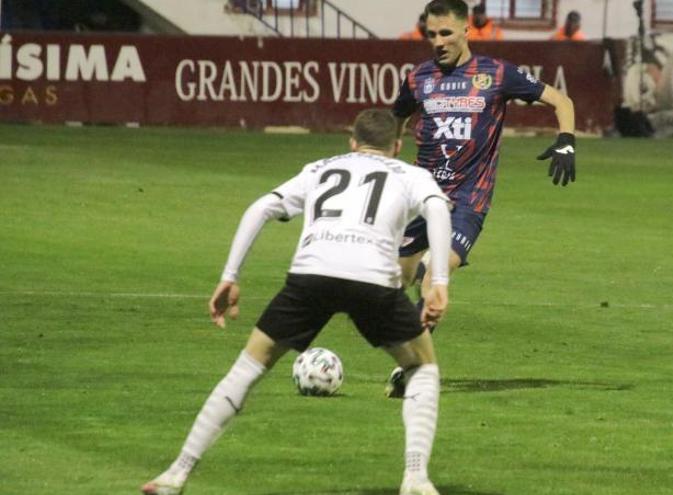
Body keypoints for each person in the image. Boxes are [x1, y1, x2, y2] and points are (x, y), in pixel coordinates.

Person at [141, 109, 452, 495]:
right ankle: (415, 478)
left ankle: (176, 473)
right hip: (373, 278)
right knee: (422, 367)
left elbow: (261, 207)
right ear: (398, 146)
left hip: (311, 274)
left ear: (352, 142)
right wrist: (439, 280)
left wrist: (230, 276)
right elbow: (438, 208)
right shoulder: (410, 173)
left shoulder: (320, 167)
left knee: (248, 367)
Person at [385, 0, 576, 397]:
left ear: (466, 30)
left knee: (430, 274)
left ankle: (416, 371)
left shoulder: (496, 74)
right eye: (431, 35)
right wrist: (388, 154)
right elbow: (395, 118)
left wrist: (567, 142)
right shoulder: (419, 78)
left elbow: (561, 101)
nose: (438, 42)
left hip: (469, 202)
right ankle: (411, 355)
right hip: (423, 200)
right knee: (393, 281)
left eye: (446, 33)